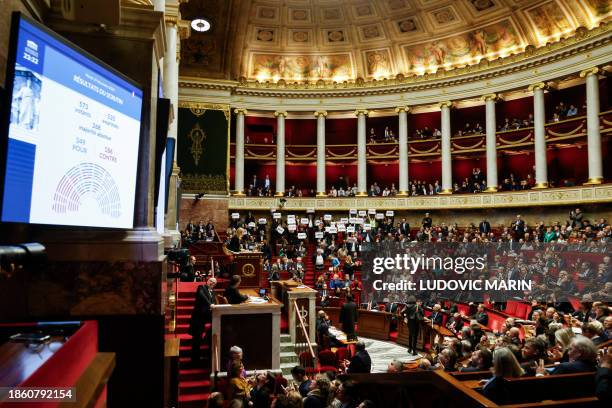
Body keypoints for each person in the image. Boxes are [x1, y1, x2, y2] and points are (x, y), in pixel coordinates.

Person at [188, 277, 217, 364]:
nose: (212, 283)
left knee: (204, 334)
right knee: (196, 338)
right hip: (198, 317)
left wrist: (214, 306)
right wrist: (210, 304)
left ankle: (199, 356)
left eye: (214, 282)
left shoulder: (213, 292)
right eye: (210, 281)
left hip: (205, 317)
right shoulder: (201, 287)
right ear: (207, 281)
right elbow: (202, 296)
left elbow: (213, 302)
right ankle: (194, 359)